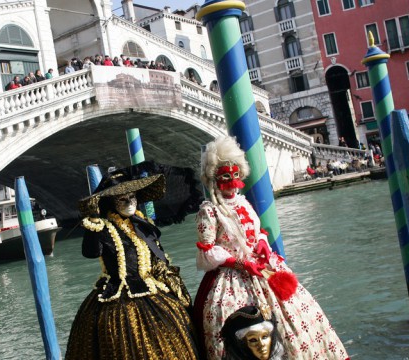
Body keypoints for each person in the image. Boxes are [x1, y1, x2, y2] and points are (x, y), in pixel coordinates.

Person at [193, 136, 348, 360]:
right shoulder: (209, 210)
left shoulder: (243, 201)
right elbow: (207, 250)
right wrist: (240, 263)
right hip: (231, 278)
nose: (232, 181)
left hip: (265, 269)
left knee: (298, 318)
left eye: (236, 175)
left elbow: (257, 232)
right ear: (214, 178)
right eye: (225, 176)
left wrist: (263, 244)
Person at [65, 163, 199, 360]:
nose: (129, 203)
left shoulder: (144, 224)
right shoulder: (104, 228)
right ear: (112, 203)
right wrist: (92, 222)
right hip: (117, 299)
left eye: (132, 197)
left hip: (152, 291)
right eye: (123, 199)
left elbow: (158, 255)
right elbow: (91, 252)